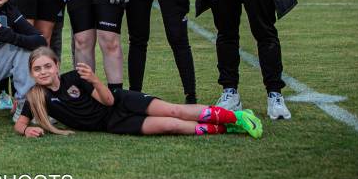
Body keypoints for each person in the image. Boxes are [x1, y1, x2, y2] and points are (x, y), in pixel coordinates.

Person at [14, 47, 263, 139]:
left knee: (175, 110)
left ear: (57, 66)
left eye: (48, 66)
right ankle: (223, 128)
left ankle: (237, 117)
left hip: (120, 101)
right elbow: (21, 123)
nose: (44, 72)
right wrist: (27, 129)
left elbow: (108, 100)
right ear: (32, 74)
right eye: (38, 69)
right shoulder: (37, 96)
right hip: (111, 124)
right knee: (170, 125)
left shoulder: (76, 76)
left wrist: (95, 80)